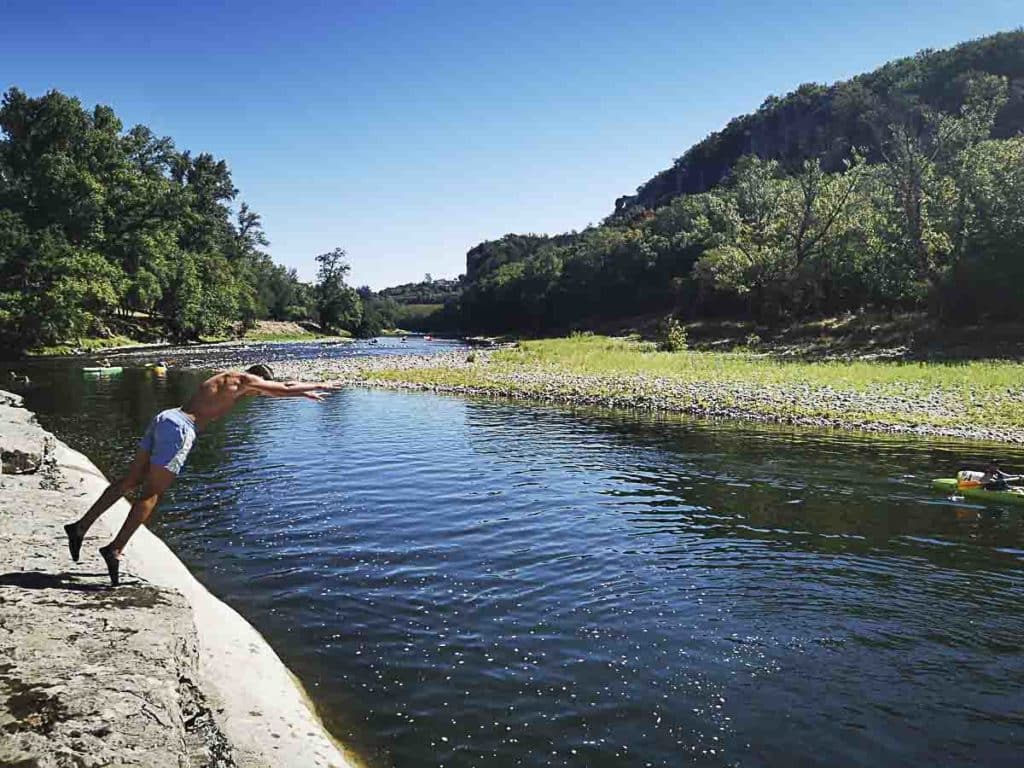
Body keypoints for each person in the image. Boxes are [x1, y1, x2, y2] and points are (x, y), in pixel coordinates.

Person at [64, 364, 340, 586]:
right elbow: (283, 387)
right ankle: (115, 549)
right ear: (257, 379)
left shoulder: (228, 381)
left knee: (130, 480)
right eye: (258, 390)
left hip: (166, 417)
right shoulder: (243, 379)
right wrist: (319, 385)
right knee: (151, 493)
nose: (256, 394)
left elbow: (277, 392)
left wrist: (302, 396)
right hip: (180, 430)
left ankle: (80, 527)